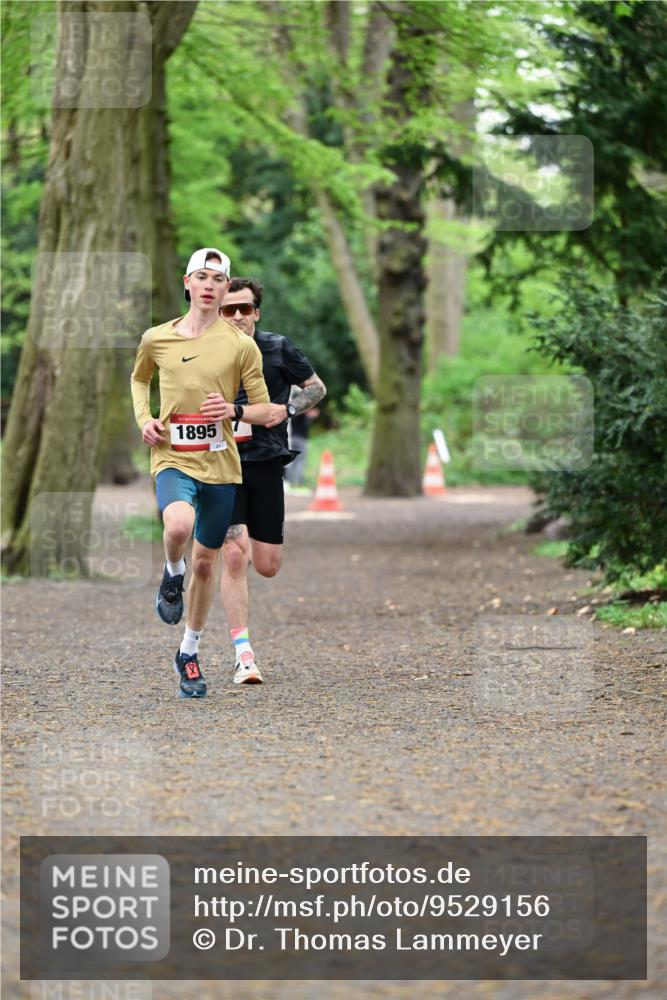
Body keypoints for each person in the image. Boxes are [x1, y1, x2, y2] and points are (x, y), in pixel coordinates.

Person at [130, 249, 271, 698]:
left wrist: (234, 409)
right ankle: (173, 572)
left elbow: (266, 409)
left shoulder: (240, 345)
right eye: (202, 277)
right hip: (172, 456)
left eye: (219, 280)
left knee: (208, 563)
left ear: (227, 289)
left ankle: (188, 653)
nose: (210, 285)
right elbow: (139, 379)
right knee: (178, 524)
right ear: (186, 283)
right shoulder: (157, 338)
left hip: (221, 466)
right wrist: (144, 418)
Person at [219, 278, 326, 684]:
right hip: (221, 463)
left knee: (266, 565)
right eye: (229, 309)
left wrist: (286, 409)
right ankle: (243, 654)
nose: (238, 316)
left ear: (256, 312)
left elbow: (316, 388)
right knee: (233, 554)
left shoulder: (278, 347)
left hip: (265, 461)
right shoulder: (204, 351)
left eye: (244, 308)